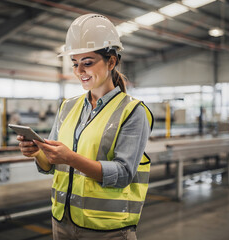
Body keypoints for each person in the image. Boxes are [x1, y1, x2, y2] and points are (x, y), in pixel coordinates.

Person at [17, 13, 153, 240]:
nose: (80, 71)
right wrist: (38, 152)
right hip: (62, 221)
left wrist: (70, 158)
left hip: (107, 229)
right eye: (75, 64)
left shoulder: (133, 111)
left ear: (111, 61)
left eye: (88, 63)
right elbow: (51, 165)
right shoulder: (68, 107)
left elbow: (123, 174)